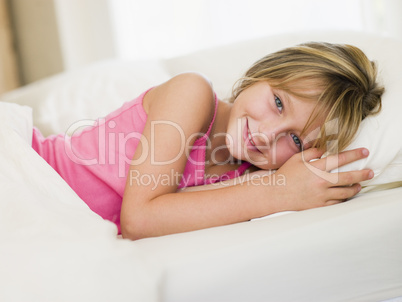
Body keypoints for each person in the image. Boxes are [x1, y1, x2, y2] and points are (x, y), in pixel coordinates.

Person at [31, 42, 384, 240]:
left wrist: (278, 184)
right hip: (33, 177)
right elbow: (139, 219)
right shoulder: (192, 93)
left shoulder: (248, 178)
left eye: (294, 140)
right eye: (278, 102)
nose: (265, 134)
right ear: (261, 74)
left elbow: (175, 210)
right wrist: (280, 190)